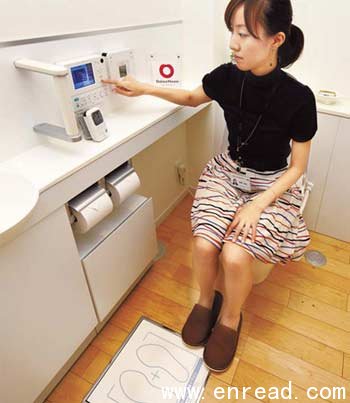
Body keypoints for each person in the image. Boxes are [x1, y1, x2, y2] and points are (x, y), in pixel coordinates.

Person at [102, 0, 317, 373]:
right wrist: (142, 88)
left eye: (244, 34)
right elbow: (189, 98)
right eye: (231, 32)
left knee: (235, 256)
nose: (233, 43)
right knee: (204, 244)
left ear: (276, 40)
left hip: (270, 184)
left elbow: (297, 168)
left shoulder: (299, 98)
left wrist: (256, 205)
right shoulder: (226, 76)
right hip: (227, 173)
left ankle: (231, 318)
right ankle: (205, 302)